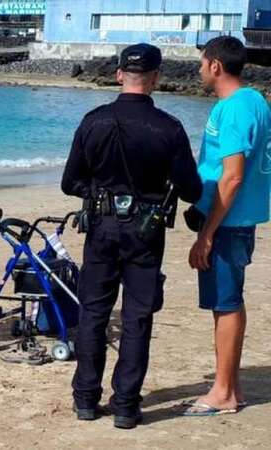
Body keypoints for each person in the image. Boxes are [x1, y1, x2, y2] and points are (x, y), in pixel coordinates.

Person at [61, 43, 202, 429]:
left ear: (120, 74)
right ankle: (125, 405)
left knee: (94, 312)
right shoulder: (169, 127)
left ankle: (86, 399)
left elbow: (70, 182)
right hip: (145, 230)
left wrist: (98, 192)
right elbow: (191, 189)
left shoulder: (94, 121)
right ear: (155, 78)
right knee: (137, 317)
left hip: (102, 227)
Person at [184, 37, 271, 417]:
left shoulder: (233, 108)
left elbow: (232, 176)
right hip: (238, 218)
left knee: (226, 302)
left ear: (216, 65)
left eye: (202, 63)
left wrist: (206, 234)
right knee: (230, 300)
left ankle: (222, 392)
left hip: (228, 221)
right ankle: (231, 386)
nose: (199, 70)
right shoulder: (254, 100)